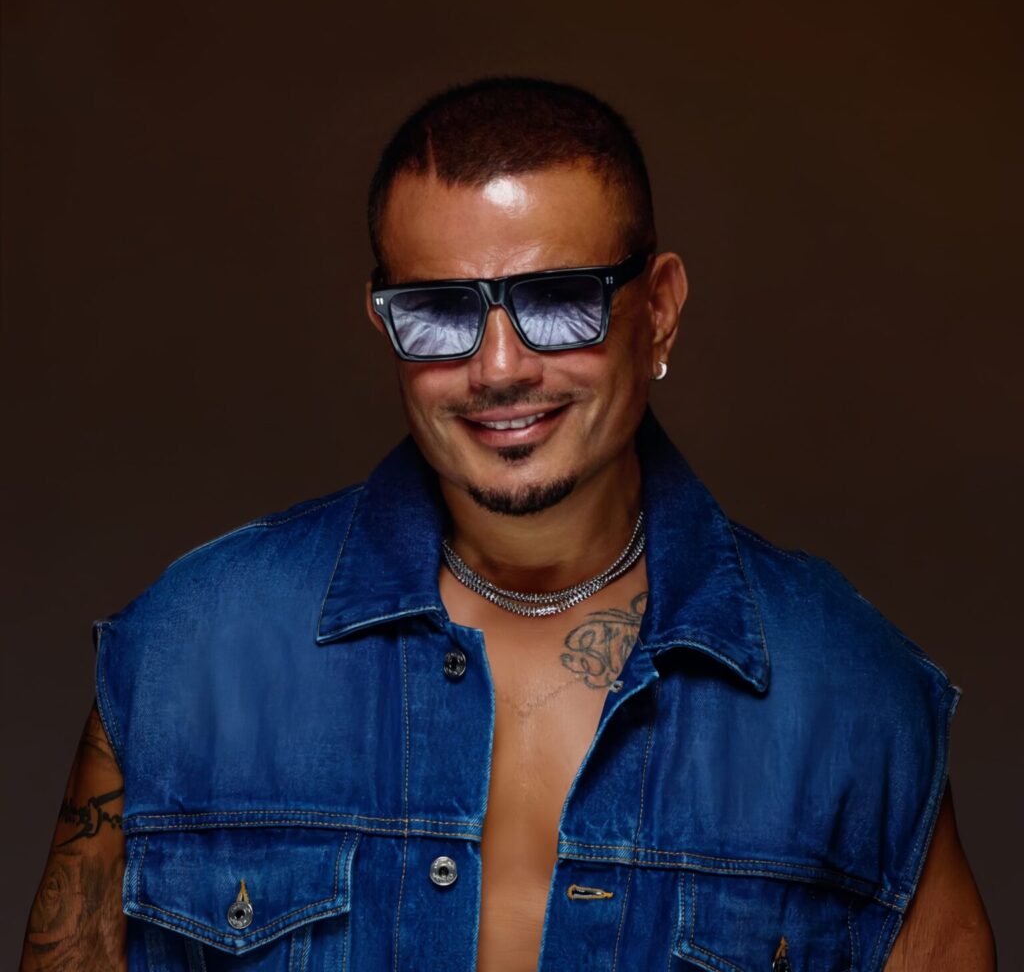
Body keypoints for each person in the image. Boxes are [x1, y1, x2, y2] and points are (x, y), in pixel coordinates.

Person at [21, 77, 995, 972]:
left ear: (658, 310)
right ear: (384, 321)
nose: (497, 368)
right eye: (440, 311)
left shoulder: (853, 696)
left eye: (559, 301)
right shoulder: (186, 650)